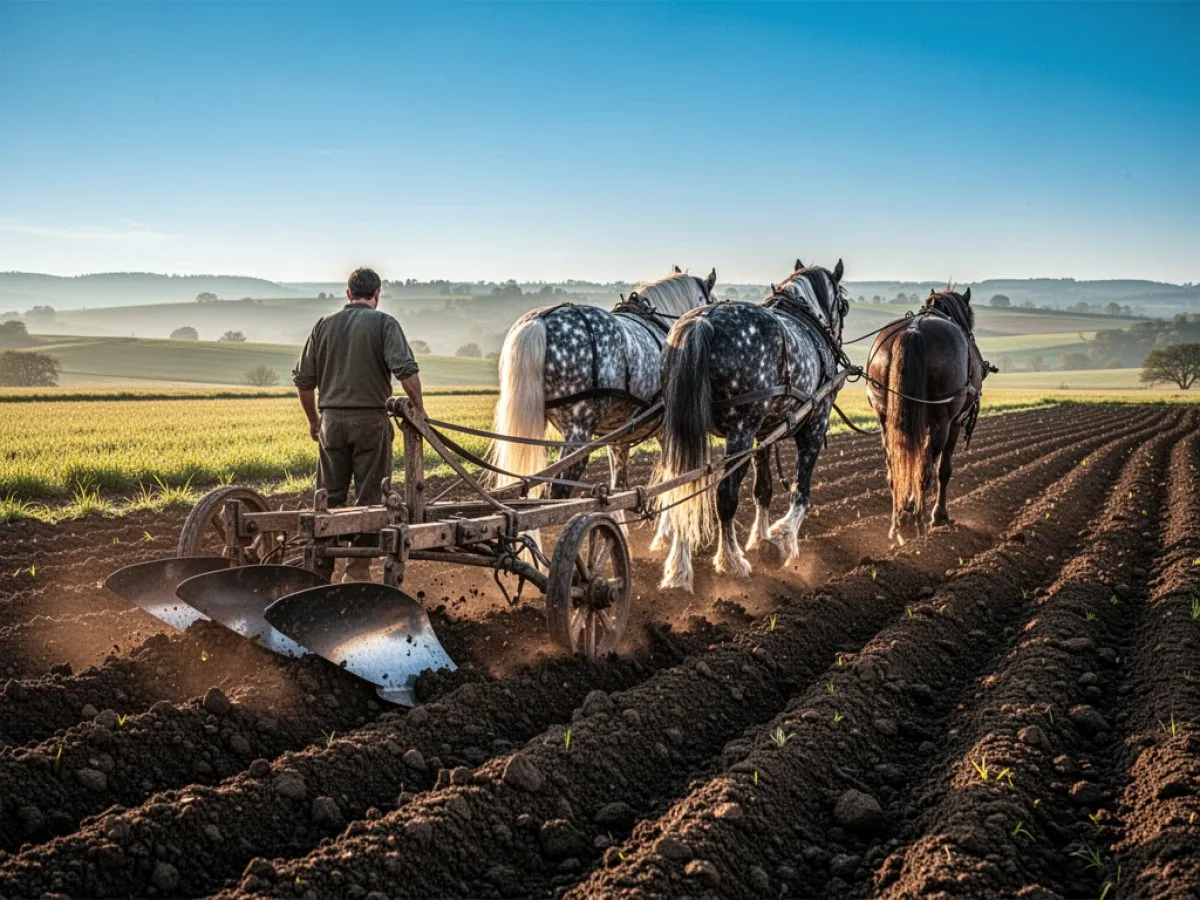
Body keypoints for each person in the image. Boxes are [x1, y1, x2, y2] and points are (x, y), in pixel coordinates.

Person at [292, 267, 427, 582]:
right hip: (370, 423)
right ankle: (356, 573)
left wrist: (314, 420)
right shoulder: (384, 324)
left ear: (348, 293)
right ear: (377, 295)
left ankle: (319, 572)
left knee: (328, 498)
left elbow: (303, 381)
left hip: (330, 423)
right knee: (369, 499)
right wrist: (419, 411)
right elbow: (406, 372)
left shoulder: (323, 326)